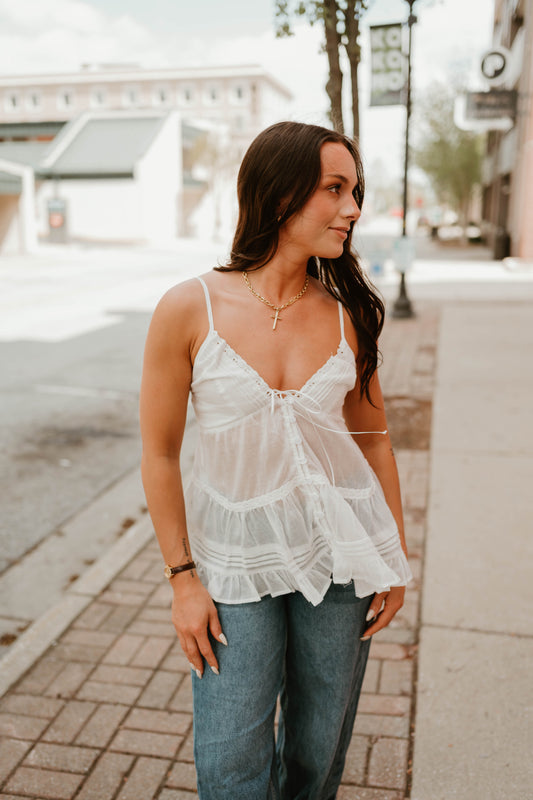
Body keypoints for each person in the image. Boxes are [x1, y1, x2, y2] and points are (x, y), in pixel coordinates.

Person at [139, 120, 411, 800]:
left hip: (341, 558)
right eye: (335, 189)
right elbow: (159, 452)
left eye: (354, 191)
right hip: (234, 562)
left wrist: (393, 558)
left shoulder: (351, 310)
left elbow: (373, 443)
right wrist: (182, 581)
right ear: (280, 194)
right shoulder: (188, 307)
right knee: (231, 757)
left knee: (317, 752)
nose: (352, 209)